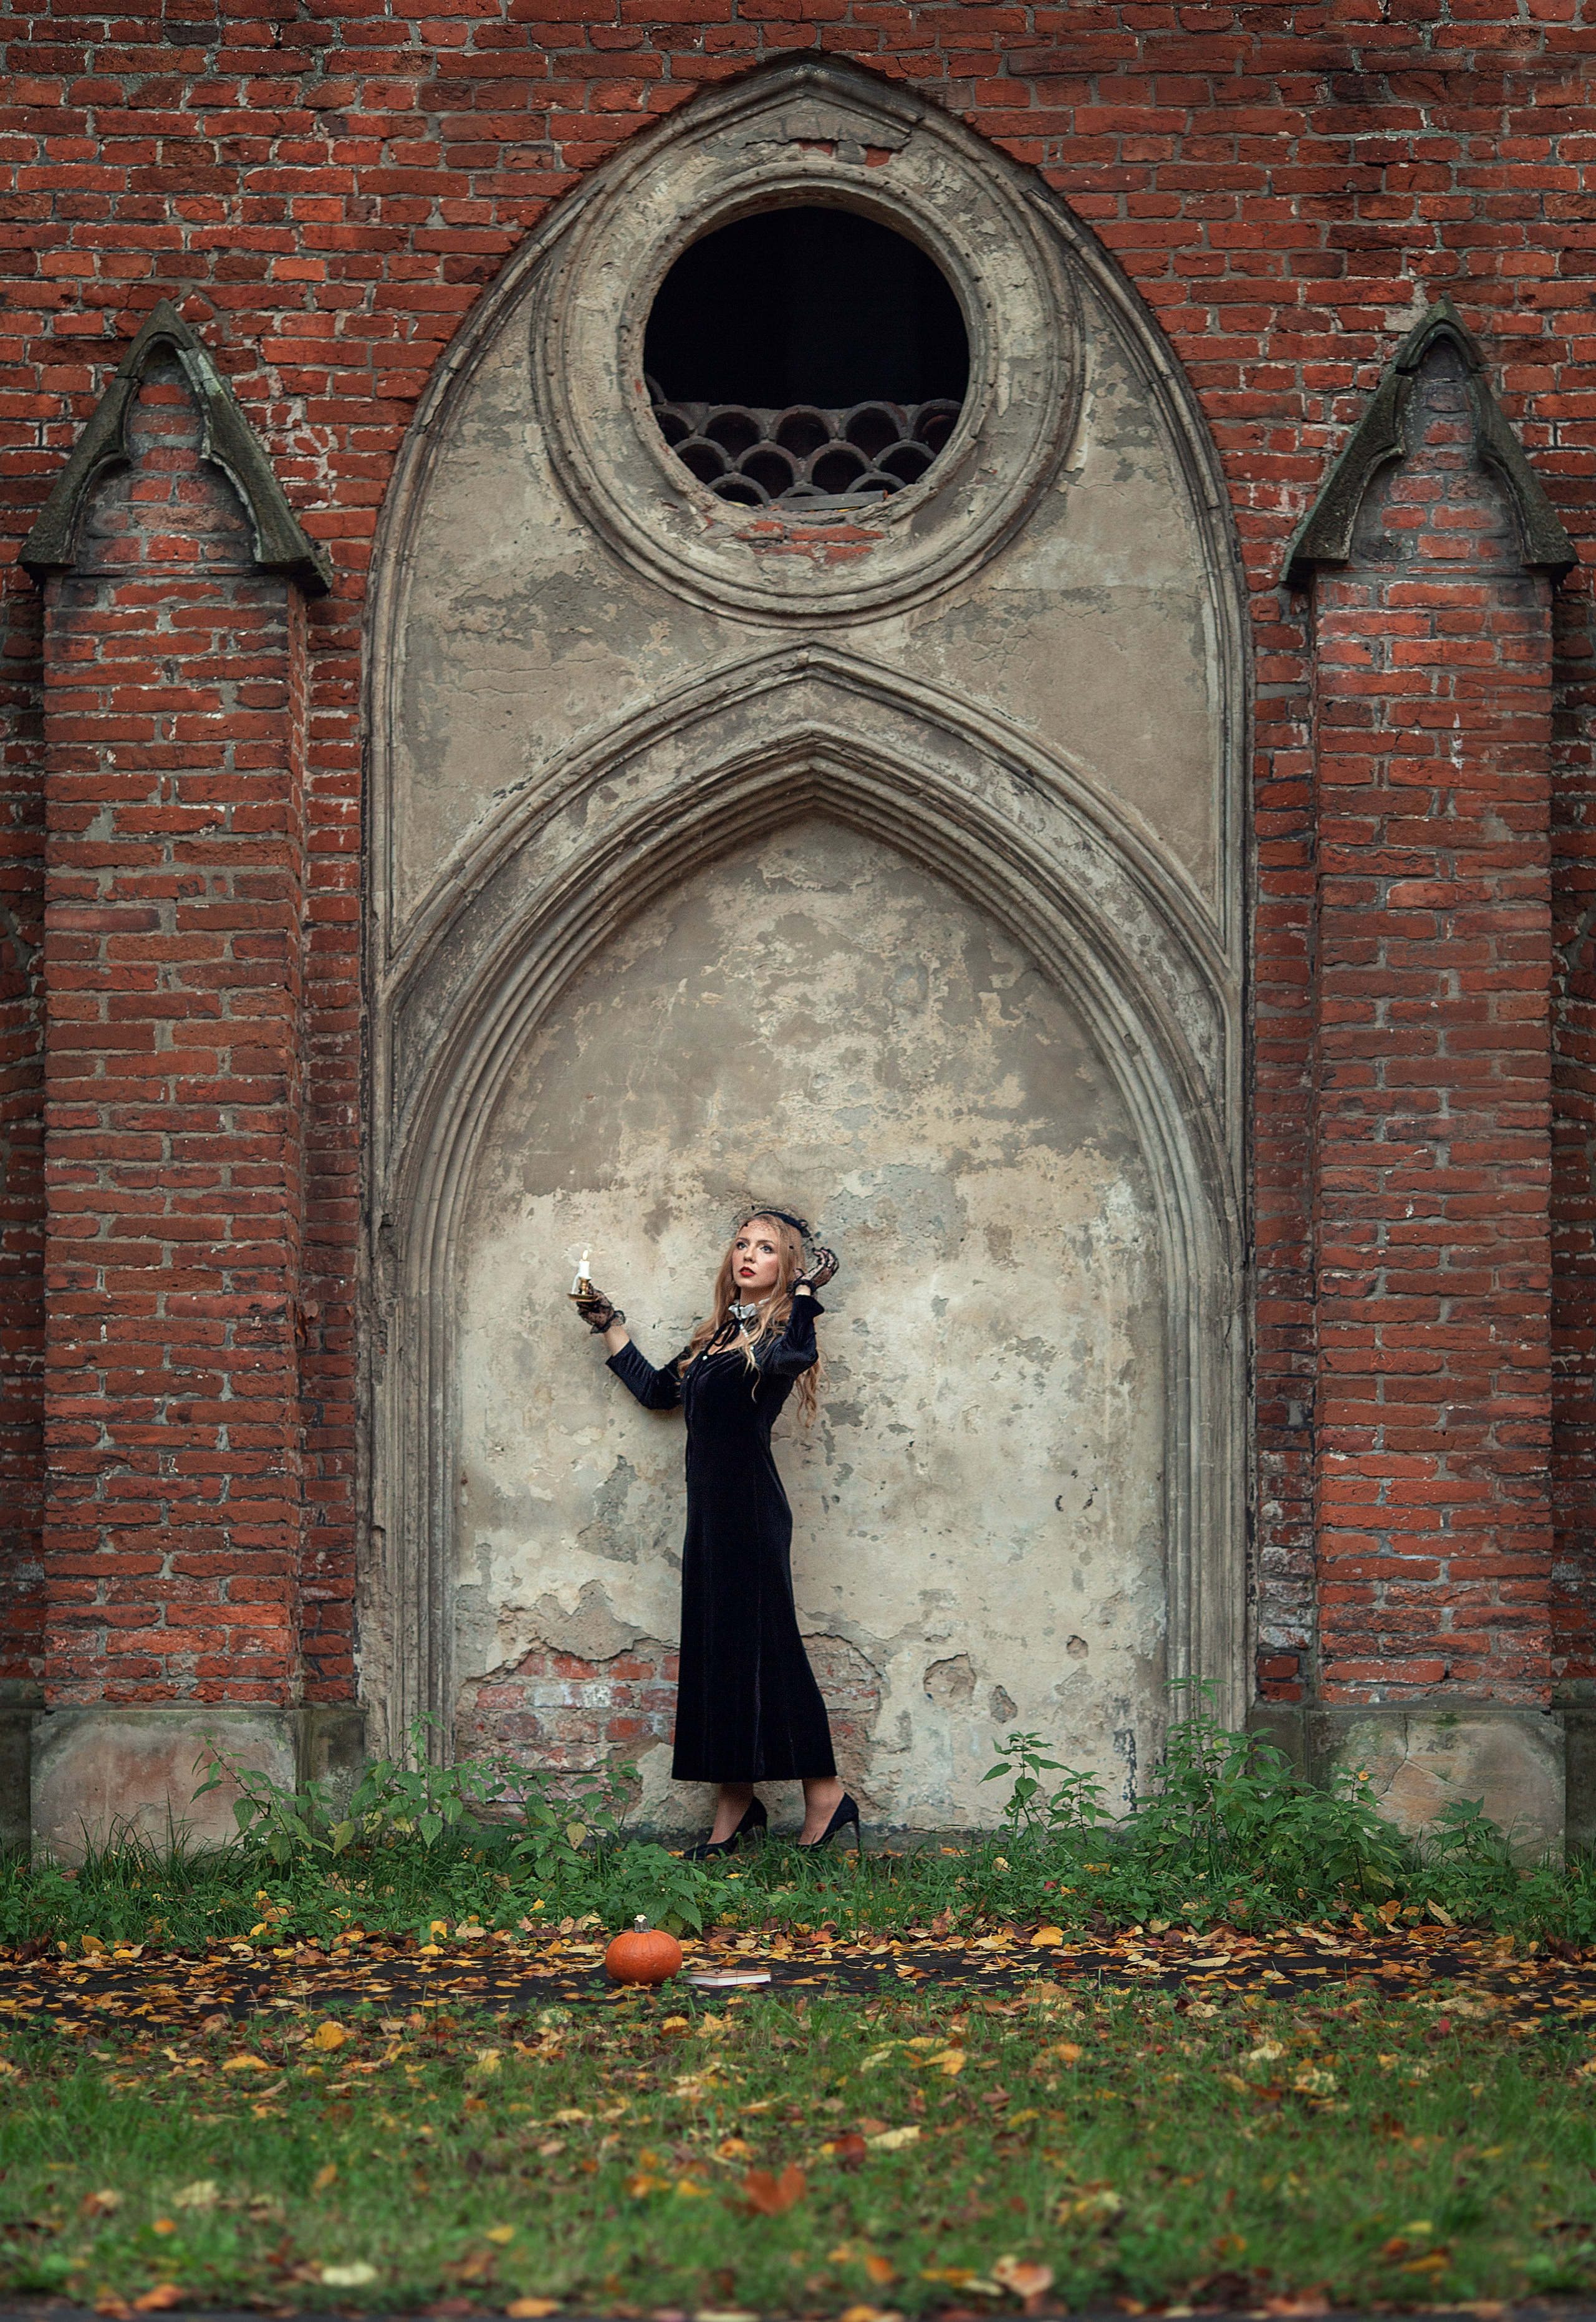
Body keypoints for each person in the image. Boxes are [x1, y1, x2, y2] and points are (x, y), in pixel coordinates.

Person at [572, 1209, 858, 1859]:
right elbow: (655, 1393)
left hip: (753, 1514)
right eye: (741, 1244)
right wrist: (610, 1326)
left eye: (766, 1248)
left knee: (773, 1654)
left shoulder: (780, 1333)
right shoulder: (715, 1338)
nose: (748, 1255)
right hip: (709, 1519)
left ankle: (826, 1794)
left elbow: (799, 1354)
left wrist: (807, 1295)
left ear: (786, 1265)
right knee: (718, 1659)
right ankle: (736, 1806)